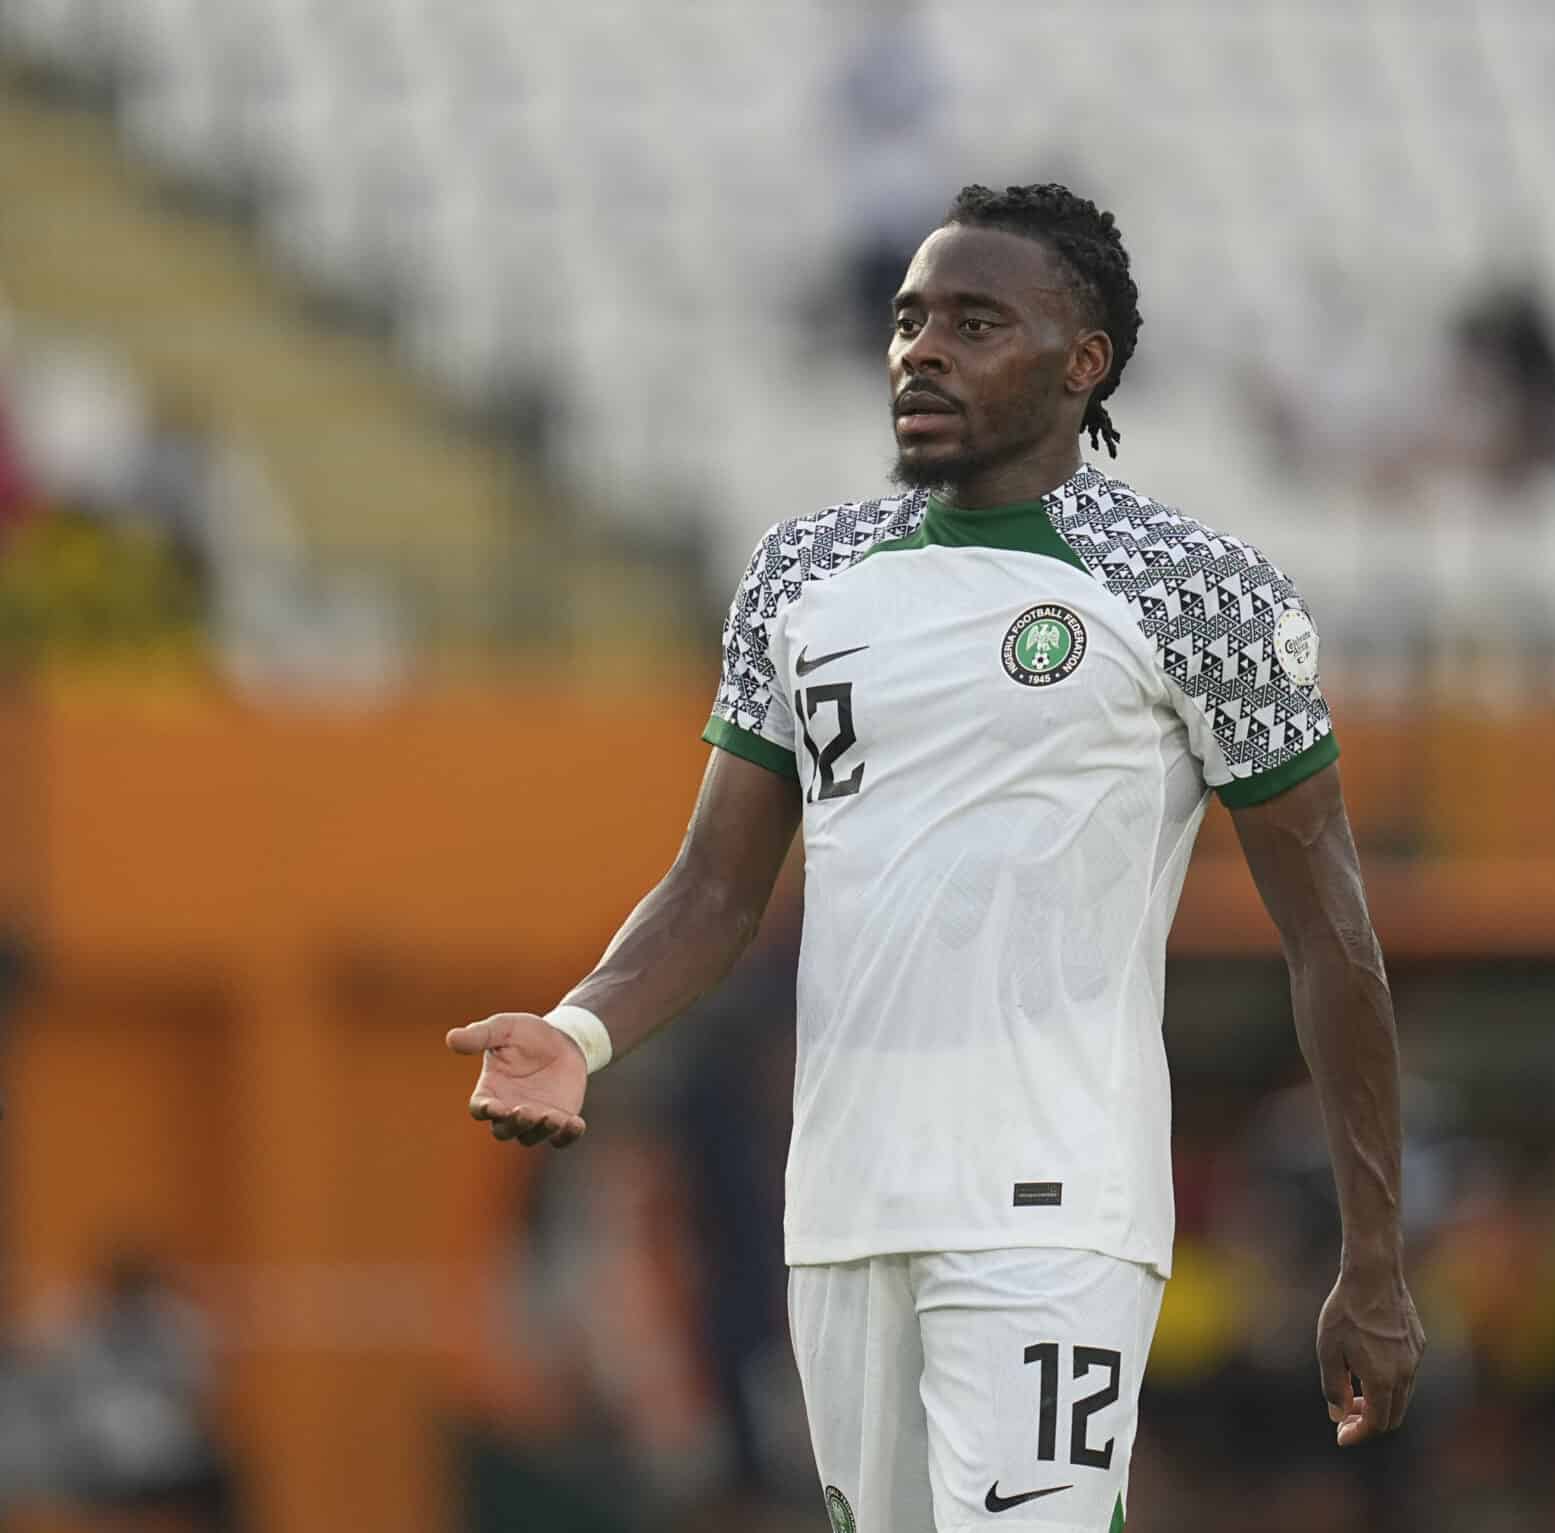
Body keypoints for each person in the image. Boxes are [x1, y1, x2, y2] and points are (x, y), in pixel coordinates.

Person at [447, 182, 1425, 1533]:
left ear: (1083, 362)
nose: (922, 351)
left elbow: (1333, 938)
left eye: (974, 322)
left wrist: (1373, 1258)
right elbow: (716, 888)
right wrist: (580, 1031)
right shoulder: (801, 576)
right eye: (910, 321)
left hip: (1055, 1206)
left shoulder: (1197, 592)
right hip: (844, 1207)